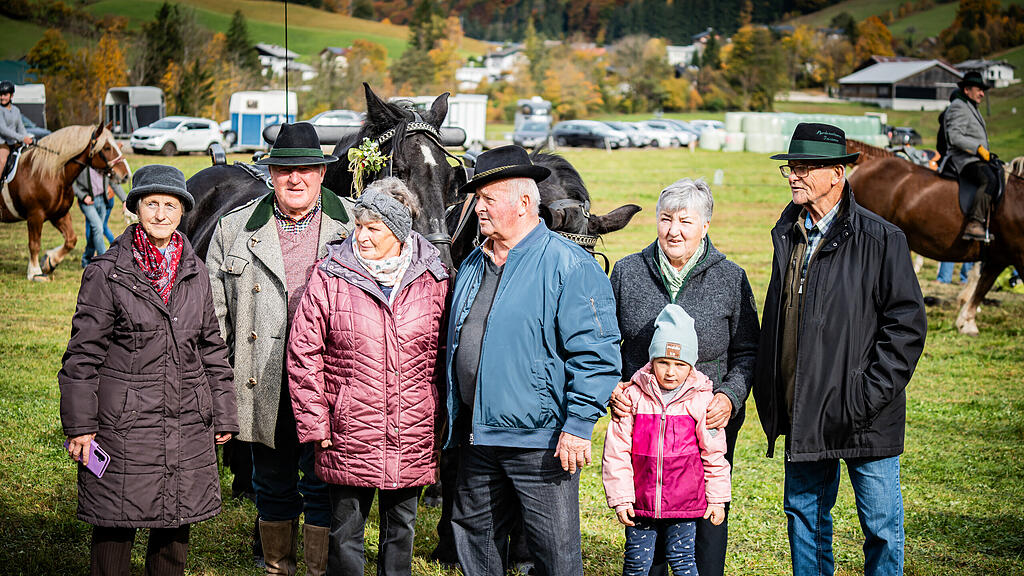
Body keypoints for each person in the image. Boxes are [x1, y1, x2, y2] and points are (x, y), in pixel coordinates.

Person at [753, 123, 927, 576]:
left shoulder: (882, 239)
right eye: (791, 167)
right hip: (804, 410)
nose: (795, 175)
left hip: (866, 415)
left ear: (837, 173)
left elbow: (906, 328)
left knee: (881, 527)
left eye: (806, 168)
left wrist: (863, 397)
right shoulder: (787, 234)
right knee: (805, 522)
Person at [444, 145, 622, 575]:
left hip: (540, 443)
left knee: (554, 553)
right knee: (474, 538)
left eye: (488, 200)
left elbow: (597, 355)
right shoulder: (473, 261)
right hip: (478, 434)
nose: (478, 210)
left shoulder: (570, 266)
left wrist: (578, 427)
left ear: (524, 202)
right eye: (477, 200)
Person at [58, 164, 238, 576]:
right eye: (151, 204)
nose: (160, 214)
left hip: (186, 420)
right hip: (124, 423)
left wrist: (224, 412)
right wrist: (80, 427)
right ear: (136, 208)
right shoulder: (107, 273)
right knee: (114, 524)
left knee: (175, 525)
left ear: (182, 213)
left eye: (169, 205)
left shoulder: (196, 272)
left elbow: (212, 346)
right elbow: (82, 357)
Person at [208, 122, 354, 576]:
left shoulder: (356, 226)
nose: (296, 179)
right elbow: (214, 321)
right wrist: (218, 388)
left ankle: (316, 569)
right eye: (285, 169)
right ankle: (277, 566)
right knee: (270, 481)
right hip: (260, 378)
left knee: (322, 482)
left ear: (323, 173)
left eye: (307, 169)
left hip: (329, 382)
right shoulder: (233, 230)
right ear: (270, 173)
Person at [288, 177, 451, 575]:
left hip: (412, 424)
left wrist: (441, 417)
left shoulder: (434, 278)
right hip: (349, 427)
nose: (361, 236)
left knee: (402, 529)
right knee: (346, 531)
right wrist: (316, 421)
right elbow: (303, 352)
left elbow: (447, 354)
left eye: (373, 228)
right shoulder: (331, 276)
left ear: (398, 232)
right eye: (358, 226)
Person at [608, 177, 759, 576]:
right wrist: (614, 386)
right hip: (644, 424)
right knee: (648, 516)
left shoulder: (731, 278)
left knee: (707, 509)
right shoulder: (627, 272)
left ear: (705, 225)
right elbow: (605, 342)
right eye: (665, 219)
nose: (673, 230)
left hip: (706, 423)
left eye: (685, 221)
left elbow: (747, 351)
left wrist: (729, 396)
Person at [603, 304, 731, 576]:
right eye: (663, 363)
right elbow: (617, 453)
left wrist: (718, 500)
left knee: (684, 561)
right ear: (652, 362)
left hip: (685, 506)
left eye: (679, 364)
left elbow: (714, 455)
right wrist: (622, 499)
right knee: (636, 564)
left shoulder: (701, 402)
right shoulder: (633, 398)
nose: (671, 372)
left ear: (691, 365)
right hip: (641, 504)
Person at [944, 71, 997, 241]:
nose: (982, 93)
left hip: (975, 158)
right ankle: (974, 222)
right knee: (989, 179)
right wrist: (978, 148)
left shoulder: (970, 106)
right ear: (967, 90)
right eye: (979, 89)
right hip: (963, 160)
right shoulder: (959, 106)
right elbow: (954, 136)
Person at [74, 167, 126, 267]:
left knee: (95, 232)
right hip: (88, 202)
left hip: (102, 200)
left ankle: (87, 259)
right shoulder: (82, 163)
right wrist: (82, 196)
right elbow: (70, 183)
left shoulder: (103, 163)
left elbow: (113, 182)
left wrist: (124, 199)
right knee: (98, 228)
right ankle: (104, 262)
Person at [0, 80, 34, 174]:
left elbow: (20, 127)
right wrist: (22, 138)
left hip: (15, 143)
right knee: (2, 161)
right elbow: (3, 130)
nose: (2, 97)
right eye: (0, 95)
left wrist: (27, 137)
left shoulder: (16, 110)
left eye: (5, 95)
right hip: (3, 144)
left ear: (11, 96)